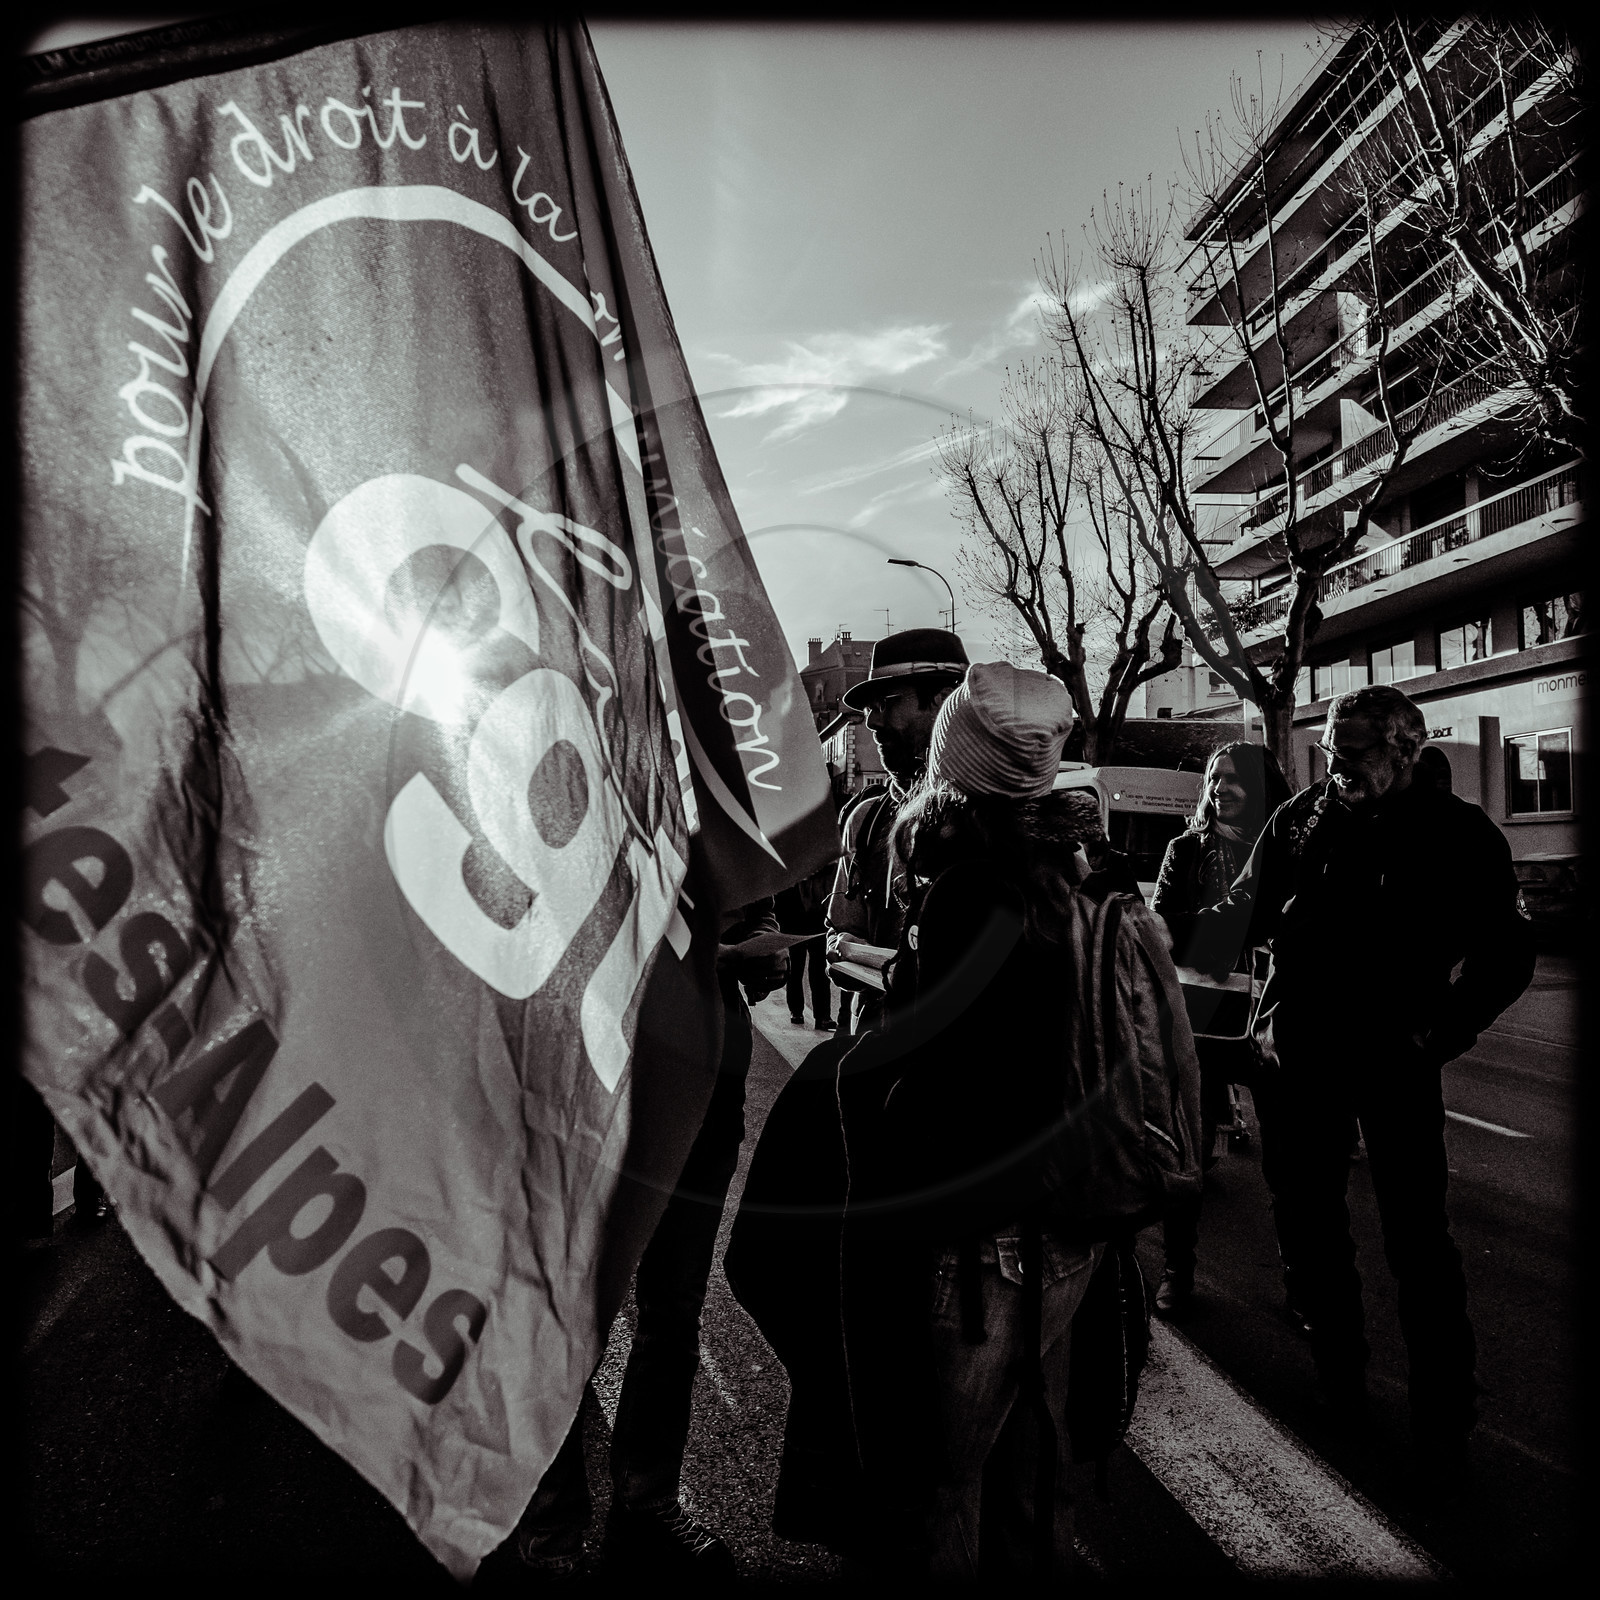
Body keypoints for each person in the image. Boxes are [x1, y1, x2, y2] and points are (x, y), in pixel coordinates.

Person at [839, 663, 1200, 1582]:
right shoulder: (1080, 866)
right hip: (1070, 1224)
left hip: (984, 1240)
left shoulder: (969, 884)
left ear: (956, 754)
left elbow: (946, 1078)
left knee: (934, 1488)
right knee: (1028, 1478)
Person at [1184, 685, 1534, 1468]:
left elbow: (1508, 954)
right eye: (1332, 748)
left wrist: (1440, 1030)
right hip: (1297, 1061)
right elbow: (1242, 915)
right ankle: (1340, 1379)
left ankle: (1444, 1414)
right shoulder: (1303, 817)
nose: (1336, 763)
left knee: (1419, 1242)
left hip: (1395, 1063)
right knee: (1309, 1229)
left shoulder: (1457, 833)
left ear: (1406, 750)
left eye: (1355, 751)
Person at [511, 902, 787, 1583]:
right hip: (592, 1088)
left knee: (673, 1312)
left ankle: (647, 1497)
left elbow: (758, 918)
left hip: (702, 1092)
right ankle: (551, 1523)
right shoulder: (578, 800)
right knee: (573, 1310)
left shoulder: (721, 811)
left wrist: (760, 956)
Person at [1150, 740, 1290, 1318]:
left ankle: (1303, 1283)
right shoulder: (1185, 849)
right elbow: (1158, 929)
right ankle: (1178, 1272)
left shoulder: (1286, 852)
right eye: (1213, 778)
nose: (1220, 789)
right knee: (1186, 1162)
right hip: (1198, 1029)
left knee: (1291, 1168)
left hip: (1275, 1032)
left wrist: (1199, 931)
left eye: (1234, 779)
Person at [824, 628, 970, 1036]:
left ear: (945, 702)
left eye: (888, 703)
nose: (872, 721)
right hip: (872, 1047)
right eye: (870, 708)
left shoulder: (997, 822)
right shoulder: (866, 818)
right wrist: (844, 950)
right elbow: (842, 926)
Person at [774, 858, 837, 1030]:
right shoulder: (792, 861)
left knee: (819, 970)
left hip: (818, 920)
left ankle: (822, 1016)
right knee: (795, 968)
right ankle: (796, 1010)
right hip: (794, 919)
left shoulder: (823, 862)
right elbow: (780, 892)